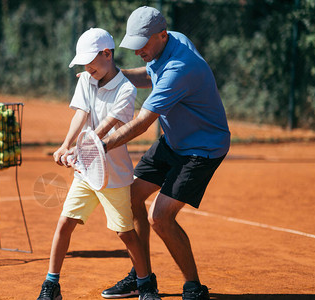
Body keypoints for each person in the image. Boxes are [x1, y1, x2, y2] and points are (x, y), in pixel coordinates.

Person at [99, 6, 231, 300]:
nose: (137, 52)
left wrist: (101, 145)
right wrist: (112, 76)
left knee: (160, 218)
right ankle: (141, 276)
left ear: (161, 35)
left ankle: (194, 287)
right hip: (175, 141)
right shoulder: (169, 43)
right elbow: (147, 76)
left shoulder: (180, 68)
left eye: (141, 45)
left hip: (202, 149)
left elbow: (142, 123)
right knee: (131, 196)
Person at [36, 28, 161, 300]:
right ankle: (51, 285)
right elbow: (81, 114)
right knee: (64, 224)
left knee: (126, 234)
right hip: (85, 174)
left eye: (91, 60)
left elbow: (108, 126)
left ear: (108, 54)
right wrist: (66, 145)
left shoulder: (126, 89)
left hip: (113, 176)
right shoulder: (86, 79)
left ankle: (146, 285)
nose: (87, 67)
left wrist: (83, 149)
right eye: (83, 62)